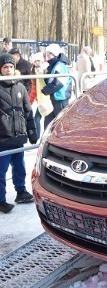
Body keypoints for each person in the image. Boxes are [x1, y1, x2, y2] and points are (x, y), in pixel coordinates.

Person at [0, 53, 38, 214]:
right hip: (3, 138)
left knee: (20, 167)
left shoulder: (20, 87)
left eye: (11, 67)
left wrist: (32, 133)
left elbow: (28, 112)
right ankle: (1, 199)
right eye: (5, 67)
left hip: (18, 136)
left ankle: (21, 191)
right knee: (1, 170)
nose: (8, 70)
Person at [42, 44, 72, 128]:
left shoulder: (60, 66)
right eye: (46, 54)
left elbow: (57, 83)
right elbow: (50, 80)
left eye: (50, 54)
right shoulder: (52, 66)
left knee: (60, 125)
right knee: (49, 124)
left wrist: (45, 90)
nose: (47, 56)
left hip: (60, 100)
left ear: (55, 54)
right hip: (54, 99)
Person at [28, 52, 51, 138]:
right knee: (39, 118)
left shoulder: (42, 70)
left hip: (45, 98)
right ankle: (39, 137)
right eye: (36, 61)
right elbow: (34, 89)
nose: (37, 62)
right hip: (42, 98)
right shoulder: (34, 72)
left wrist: (30, 101)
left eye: (39, 60)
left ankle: (38, 137)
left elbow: (35, 89)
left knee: (38, 118)